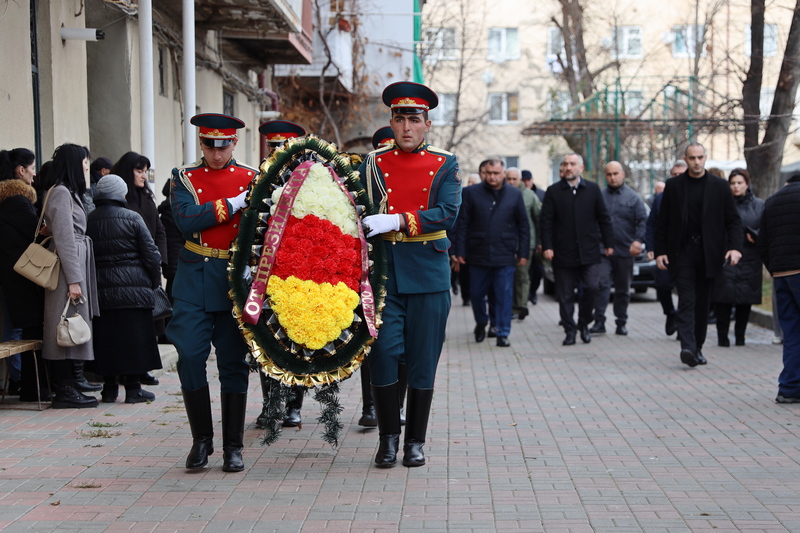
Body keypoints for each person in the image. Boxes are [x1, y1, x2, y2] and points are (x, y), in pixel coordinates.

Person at [358, 81, 461, 468]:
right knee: (383, 355)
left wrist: (398, 219)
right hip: (384, 273)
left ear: (427, 124)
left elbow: (447, 214)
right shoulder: (373, 162)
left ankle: (414, 441)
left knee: (422, 359)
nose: (406, 127)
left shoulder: (444, 162)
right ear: (391, 120)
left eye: (413, 119)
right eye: (399, 118)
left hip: (429, 273)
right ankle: (387, 439)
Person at [168, 113, 255, 472]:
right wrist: (232, 204)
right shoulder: (184, 179)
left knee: (233, 363)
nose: (216, 153)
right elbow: (186, 220)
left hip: (234, 279)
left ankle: (233, 446)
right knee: (189, 356)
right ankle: (201, 440)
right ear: (200, 143)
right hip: (194, 278)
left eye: (223, 145)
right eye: (209, 145)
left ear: (234, 143)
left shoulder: (253, 177)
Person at [654, 143, 742, 368]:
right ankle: (687, 347)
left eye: (700, 157)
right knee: (687, 299)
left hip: (709, 252)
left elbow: (732, 220)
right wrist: (661, 251)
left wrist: (734, 248)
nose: (696, 162)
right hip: (682, 251)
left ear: (705, 158)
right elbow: (662, 222)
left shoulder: (720, 186)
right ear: (686, 158)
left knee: (703, 302)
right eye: (692, 158)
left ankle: (698, 347)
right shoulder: (674, 186)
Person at [252, 120, 310, 431]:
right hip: (265, 270)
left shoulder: (310, 179)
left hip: (299, 270)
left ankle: (294, 405)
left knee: (295, 336)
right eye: (274, 147)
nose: (278, 152)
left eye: (284, 146)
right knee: (265, 338)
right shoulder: (259, 179)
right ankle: (270, 403)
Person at [86, 175, 163, 403]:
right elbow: (151, 254)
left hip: (101, 290)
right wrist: (154, 282)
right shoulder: (132, 217)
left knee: (107, 339)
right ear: (121, 193)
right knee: (134, 340)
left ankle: (109, 390)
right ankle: (133, 389)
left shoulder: (89, 219)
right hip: (133, 289)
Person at [39, 143, 101, 408]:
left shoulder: (66, 192)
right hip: (68, 266)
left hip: (73, 261)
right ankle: (64, 389)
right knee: (63, 322)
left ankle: (70, 386)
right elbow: (64, 238)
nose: (87, 166)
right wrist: (74, 279)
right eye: (85, 161)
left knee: (70, 321)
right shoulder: (62, 193)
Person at [540, 153, 614, 346]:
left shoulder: (592, 189)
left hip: (588, 251)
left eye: (572, 164)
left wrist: (608, 243)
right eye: (565, 164)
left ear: (581, 168)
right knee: (564, 295)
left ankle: (583, 323)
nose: (568, 167)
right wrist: (547, 246)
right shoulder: (553, 191)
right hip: (562, 253)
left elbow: (603, 218)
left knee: (591, 287)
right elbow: (545, 221)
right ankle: (570, 330)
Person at [456, 159, 529, 347]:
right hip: (477, 253)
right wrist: (459, 250)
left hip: (505, 253)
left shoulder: (514, 194)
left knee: (503, 295)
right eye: (488, 173)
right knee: (476, 294)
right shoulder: (471, 193)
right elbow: (462, 223)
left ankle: (502, 331)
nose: (492, 177)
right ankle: (482, 322)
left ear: (503, 173)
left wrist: (523, 252)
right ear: (482, 173)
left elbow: (523, 225)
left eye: (496, 173)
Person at [112, 151, 167, 386]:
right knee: (128, 326)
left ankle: (142, 368)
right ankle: (128, 371)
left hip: (148, 268)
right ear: (127, 171)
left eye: (145, 170)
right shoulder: (122, 200)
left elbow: (159, 230)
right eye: (139, 170)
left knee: (149, 321)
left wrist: (161, 260)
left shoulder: (146, 197)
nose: (144, 175)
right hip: (129, 270)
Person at [0, 148, 49, 402]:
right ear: (21, 170)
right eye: (31, 168)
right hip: (21, 277)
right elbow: (36, 232)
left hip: (10, 276)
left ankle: (20, 382)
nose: (34, 174)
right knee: (24, 332)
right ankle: (24, 384)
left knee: (13, 330)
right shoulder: (18, 201)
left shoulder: (6, 200)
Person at [588, 161, 647, 336]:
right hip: (603, 250)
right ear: (605, 176)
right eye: (609, 174)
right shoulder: (599, 196)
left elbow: (643, 221)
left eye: (615, 174)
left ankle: (621, 322)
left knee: (622, 289)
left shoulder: (634, 198)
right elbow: (590, 221)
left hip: (625, 250)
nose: (612, 178)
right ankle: (599, 320)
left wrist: (638, 241)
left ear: (622, 174)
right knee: (601, 285)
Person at [758, 174, 800, 403]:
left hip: (782, 274)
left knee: (792, 333)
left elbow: (762, 242)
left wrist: (775, 269)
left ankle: (789, 388)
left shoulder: (772, 200)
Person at [713, 168, 764, 347]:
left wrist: (756, 235)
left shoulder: (759, 205)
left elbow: (765, 228)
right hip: (726, 256)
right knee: (723, 298)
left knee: (745, 299)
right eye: (733, 183)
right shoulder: (722, 204)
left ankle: (740, 337)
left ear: (747, 184)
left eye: (739, 183)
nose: (736, 187)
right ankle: (722, 337)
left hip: (750, 257)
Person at [646, 161, 686, 336]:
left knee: (686, 290)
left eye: (680, 175)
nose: (677, 179)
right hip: (666, 251)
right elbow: (652, 224)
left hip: (686, 251)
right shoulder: (661, 198)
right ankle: (670, 313)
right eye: (674, 175)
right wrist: (651, 247)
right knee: (662, 285)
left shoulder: (693, 195)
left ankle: (683, 327)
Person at [504, 166, 539, 321]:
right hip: (504, 244)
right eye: (509, 179)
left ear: (520, 180)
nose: (511, 182)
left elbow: (539, 219)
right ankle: (510, 306)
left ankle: (521, 306)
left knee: (522, 275)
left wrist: (540, 241)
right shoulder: (501, 194)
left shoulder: (530, 196)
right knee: (507, 276)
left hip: (525, 243)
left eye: (514, 179)